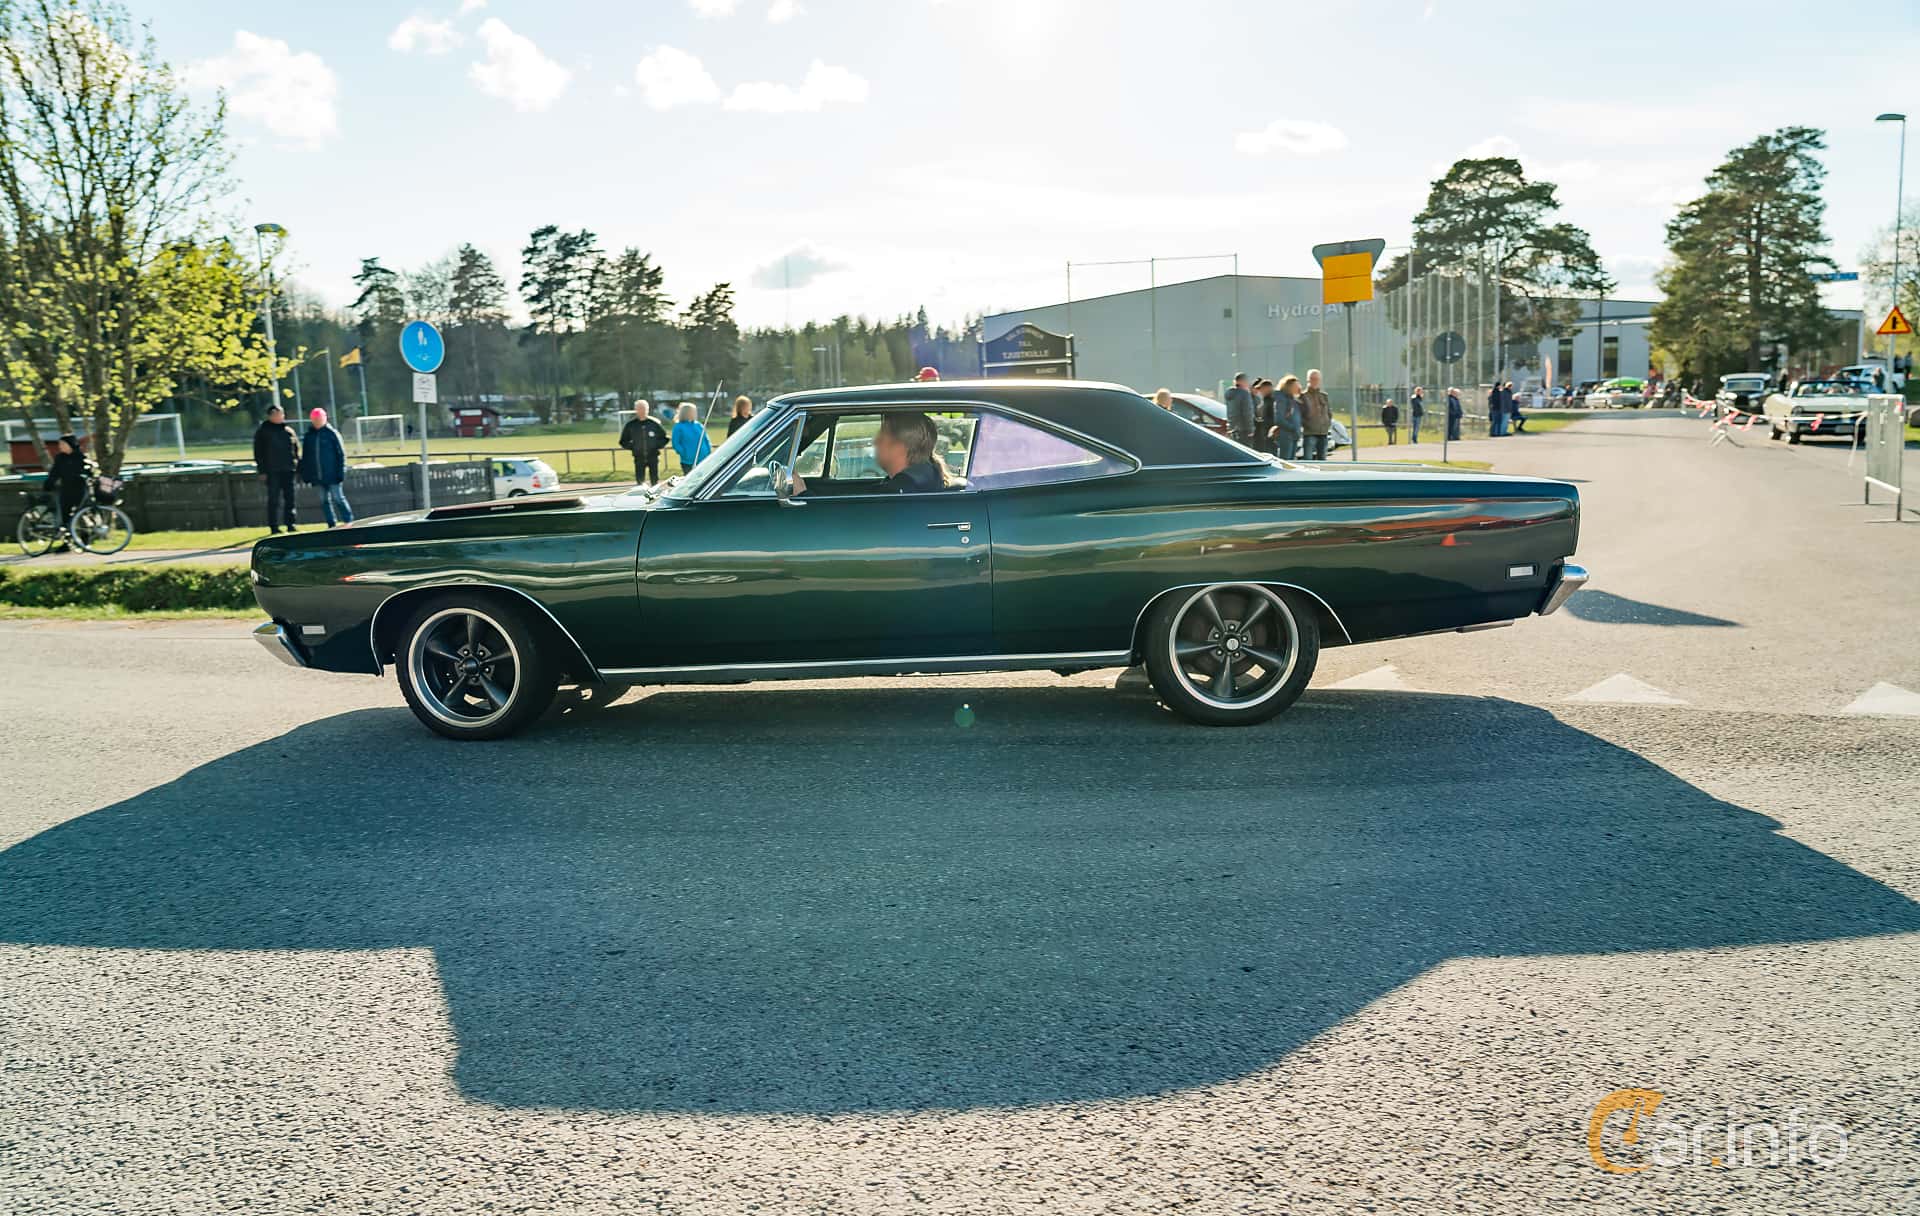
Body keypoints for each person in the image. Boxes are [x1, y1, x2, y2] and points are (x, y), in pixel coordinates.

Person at [792, 411, 951, 496]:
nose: (875, 442)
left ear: (898, 447)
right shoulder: (908, 485)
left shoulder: (899, 493)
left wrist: (803, 495)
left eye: (882, 436)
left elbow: (847, 520)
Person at [297, 407, 353, 527]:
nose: (317, 421)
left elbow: (341, 454)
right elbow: (306, 457)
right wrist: (306, 474)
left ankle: (348, 521)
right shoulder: (309, 436)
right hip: (317, 475)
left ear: (324, 419)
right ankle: (331, 523)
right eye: (315, 419)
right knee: (324, 500)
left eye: (319, 419)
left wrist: (341, 472)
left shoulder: (332, 434)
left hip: (333, 474)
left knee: (338, 498)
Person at [252, 404, 300, 533]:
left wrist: (297, 466)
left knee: (290, 498)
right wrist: (262, 471)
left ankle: (291, 524)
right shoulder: (263, 431)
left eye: (281, 414)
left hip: (288, 470)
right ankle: (273, 526)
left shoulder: (288, 431)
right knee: (273, 499)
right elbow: (258, 453)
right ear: (270, 416)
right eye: (276, 414)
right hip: (272, 471)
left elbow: (296, 450)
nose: (279, 417)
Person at [44, 435, 91, 544]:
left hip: (80, 489)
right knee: (65, 516)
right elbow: (54, 472)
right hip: (65, 489)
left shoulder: (81, 457)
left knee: (80, 513)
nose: (60, 446)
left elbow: (88, 472)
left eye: (63, 444)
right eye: (60, 444)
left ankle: (85, 538)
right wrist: (50, 483)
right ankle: (67, 542)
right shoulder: (60, 458)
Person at [619, 402, 669, 485]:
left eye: (644, 409)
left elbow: (665, 438)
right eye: (639, 409)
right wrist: (634, 447)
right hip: (639, 457)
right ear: (636, 410)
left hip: (653, 456)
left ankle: (654, 495)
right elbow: (623, 441)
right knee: (640, 481)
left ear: (647, 410)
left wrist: (656, 446)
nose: (642, 411)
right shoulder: (631, 425)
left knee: (654, 480)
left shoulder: (654, 423)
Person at [1298, 369, 1332, 460]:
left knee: (1322, 460)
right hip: (1310, 433)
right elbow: (1300, 414)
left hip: (1323, 433)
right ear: (1308, 380)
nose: (1314, 381)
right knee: (1308, 460)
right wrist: (1306, 424)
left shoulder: (1324, 396)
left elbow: (1329, 412)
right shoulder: (1303, 396)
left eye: (1317, 379)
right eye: (1312, 379)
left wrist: (1327, 424)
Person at [670, 403, 712, 474]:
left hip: (704, 459)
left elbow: (706, 439)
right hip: (688, 461)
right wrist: (684, 453)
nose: (695, 413)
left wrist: (708, 451)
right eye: (693, 411)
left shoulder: (698, 425)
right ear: (686, 413)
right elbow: (675, 443)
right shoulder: (678, 427)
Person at [1269, 374, 1303, 460]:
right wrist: (1293, 428)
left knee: (1292, 462)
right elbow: (1279, 419)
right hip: (1286, 435)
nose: (1298, 387)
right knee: (1285, 461)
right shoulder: (1281, 399)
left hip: (1294, 435)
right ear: (1289, 387)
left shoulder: (1293, 400)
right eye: (1295, 386)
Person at [1224, 372, 1255, 446]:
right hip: (1244, 429)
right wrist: (1250, 429)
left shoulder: (1229, 394)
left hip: (1232, 427)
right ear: (1243, 381)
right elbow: (1247, 412)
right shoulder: (1244, 394)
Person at [1251, 379, 1276, 454]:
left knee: (1270, 452)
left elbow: (1270, 418)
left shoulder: (1271, 400)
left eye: (1261, 389)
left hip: (1270, 432)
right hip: (1266, 432)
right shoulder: (1266, 400)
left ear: (1267, 388)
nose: (1260, 392)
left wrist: (1258, 422)